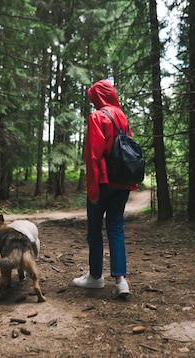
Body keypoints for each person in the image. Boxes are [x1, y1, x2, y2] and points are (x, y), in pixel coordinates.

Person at [72, 80, 138, 298]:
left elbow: (93, 157)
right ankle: (121, 281)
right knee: (116, 227)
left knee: (94, 230)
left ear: (98, 97)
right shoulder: (122, 117)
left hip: (103, 182)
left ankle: (95, 277)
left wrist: (93, 191)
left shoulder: (97, 117)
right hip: (123, 182)